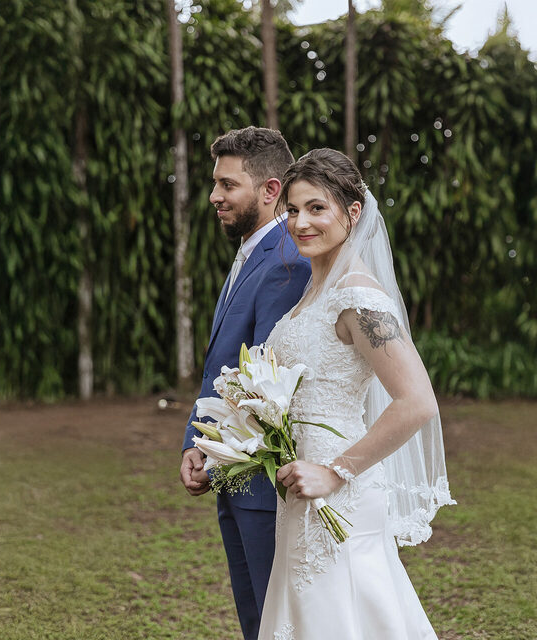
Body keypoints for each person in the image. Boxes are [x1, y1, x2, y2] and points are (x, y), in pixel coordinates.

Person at [256, 148, 456, 639]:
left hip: (337, 493)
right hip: (300, 489)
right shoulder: (314, 288)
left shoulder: (358, 296)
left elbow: (417, 401)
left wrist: (333, 472)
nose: (301, 222)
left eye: (316, 208)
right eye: (293, 210)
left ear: (353, 213)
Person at [179, 127, 311, 640]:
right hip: (232, 471)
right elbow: (223, 368)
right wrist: (198, 443)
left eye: (227, 185)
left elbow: (265, 386)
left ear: (270, 190)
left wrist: (216, 453)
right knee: (254, 619)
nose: (215, 196)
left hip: (259, 483)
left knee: (272, 620)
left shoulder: (285, 264)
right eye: (215, 184)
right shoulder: (253, 252)